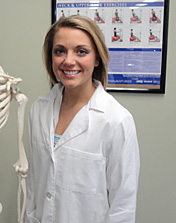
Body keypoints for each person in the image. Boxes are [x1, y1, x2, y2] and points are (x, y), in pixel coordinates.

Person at [25, 15, 140, 223]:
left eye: (81, 51)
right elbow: (35, 185)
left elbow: (123, 206)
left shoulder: (116, 120)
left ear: (97, 59)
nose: (69, 61)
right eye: (59, 51)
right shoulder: (38, 110)